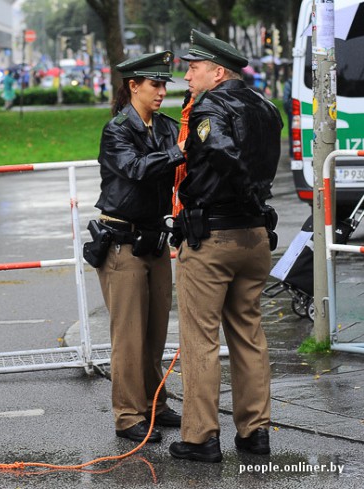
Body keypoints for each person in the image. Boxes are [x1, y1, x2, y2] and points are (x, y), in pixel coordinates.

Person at [168, 30, 283, 463]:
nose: (188, 74)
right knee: (249, 334)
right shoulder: (266, 108)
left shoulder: (210, 105)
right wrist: (255, 198)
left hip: (213, 237)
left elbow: (221, 151)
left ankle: (200, 438)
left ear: (218, 72)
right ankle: (255, 434)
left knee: (199, 339)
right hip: (254, 237)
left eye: (194, 67)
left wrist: (245, 191)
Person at [86, 52, 185, 445]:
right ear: (133, 86)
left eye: (164, 85)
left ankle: (154, 404)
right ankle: (128, 416)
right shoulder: (117, 130)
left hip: (154, 241)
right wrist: (181, 151)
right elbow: (137, 169)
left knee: (155, 333)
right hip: (122, 243)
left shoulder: (163, 127)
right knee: (128, 336)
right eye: (154, 85)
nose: (162, 92)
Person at [282, 65, 293, 157]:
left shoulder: (289, 83)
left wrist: (288, 110)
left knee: (292, 134)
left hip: (292, 111)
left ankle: (292, 153)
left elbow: (285, 100)